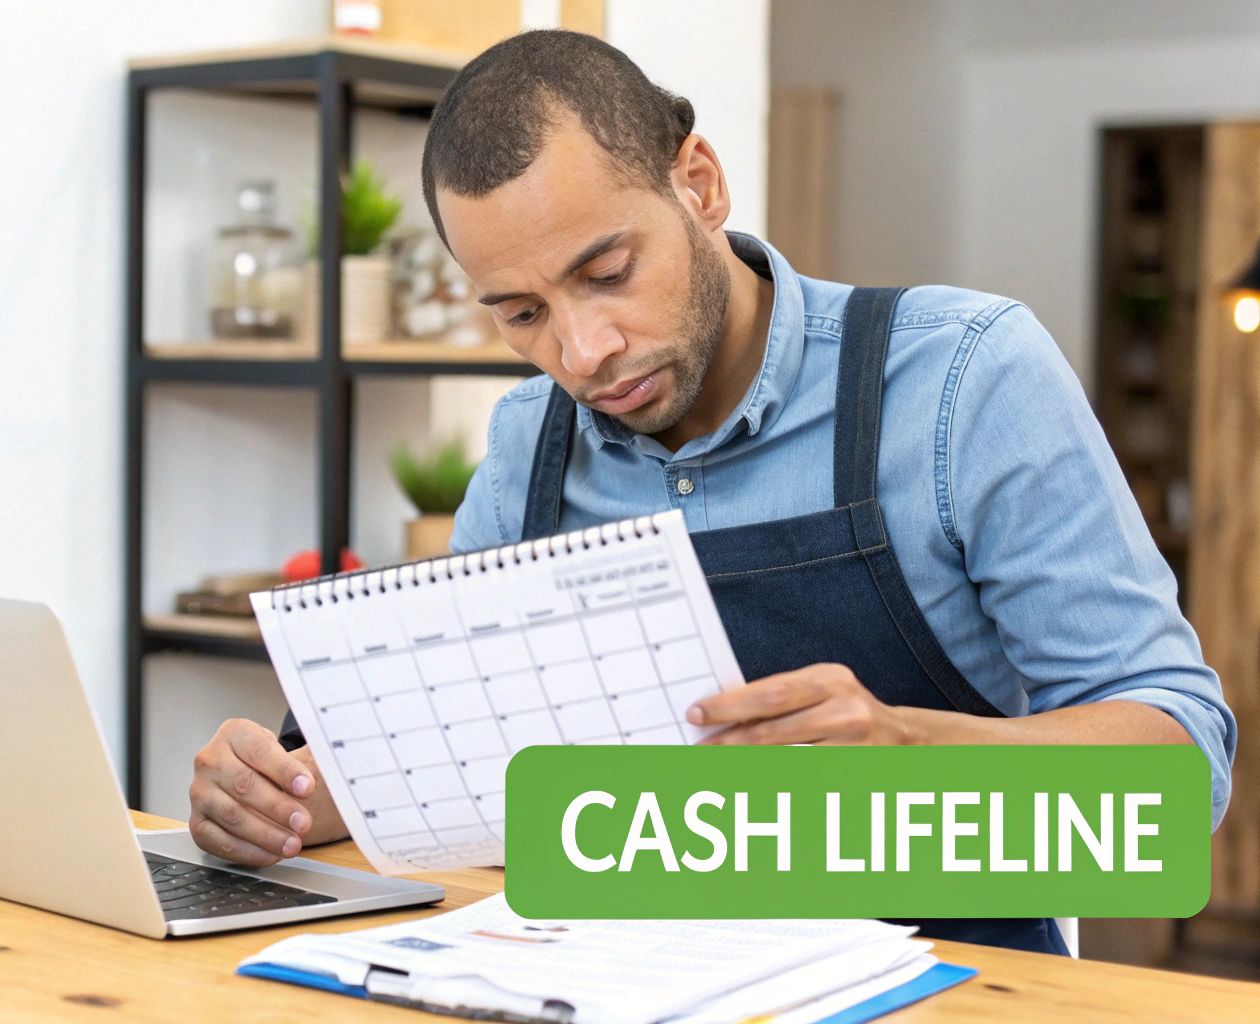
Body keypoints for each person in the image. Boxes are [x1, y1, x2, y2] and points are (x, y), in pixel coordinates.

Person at [186, 30, 1235, 954]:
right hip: (619, 982)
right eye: (519, 312)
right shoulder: (526, 444)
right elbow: (458, 771)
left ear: (697, 182)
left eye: (605, 272)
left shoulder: (965, 377)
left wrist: (913, 750)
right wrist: (281, 801)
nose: (581, 350)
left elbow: (1178, 777)